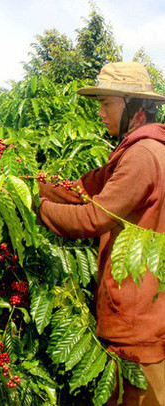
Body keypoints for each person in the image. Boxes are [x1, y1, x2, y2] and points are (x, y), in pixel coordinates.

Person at [38, 62, 165, 405]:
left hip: (136, 326)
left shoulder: (142, 155)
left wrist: (39, 209)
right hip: (137, 319)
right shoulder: (132, 152)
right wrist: (26, 187)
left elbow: (94, 217)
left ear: (135, 107)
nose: (99, 112)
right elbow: (82, 190)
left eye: (107, 103)